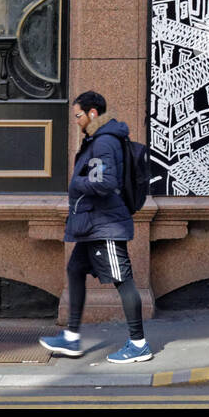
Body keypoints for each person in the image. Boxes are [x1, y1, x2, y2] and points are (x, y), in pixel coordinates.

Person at [39, 90, 152, 363]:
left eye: (78, 115)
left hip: (106, 225)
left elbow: (105, 182)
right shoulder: (99, 139)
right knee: (75, 268)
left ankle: (139, 344)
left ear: (92, 114)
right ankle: (72, 337)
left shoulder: (103, 142)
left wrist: (76, 183)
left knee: (122, 280)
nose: (76, 120)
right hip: (94, 224)